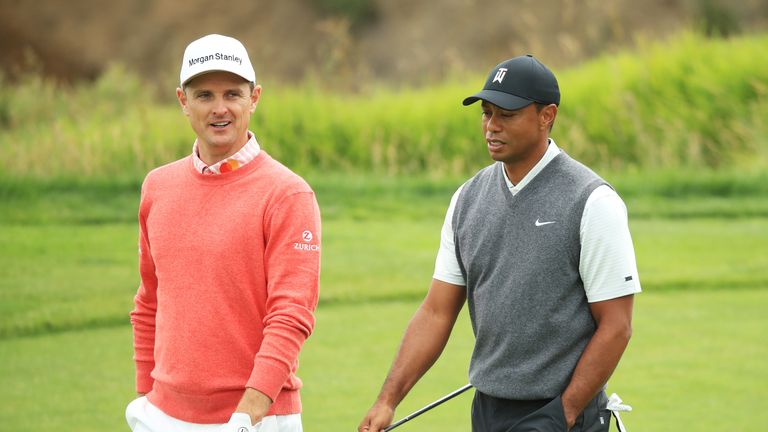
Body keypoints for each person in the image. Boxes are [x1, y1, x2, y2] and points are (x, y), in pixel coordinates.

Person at [359, 55, 641, 432]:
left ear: (547, 116)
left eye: (506, 115)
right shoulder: (467, 199)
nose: (491, 126)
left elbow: (616, 326)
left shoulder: (592, 201)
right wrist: (387, 400)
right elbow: (436, 313)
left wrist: (565, 413)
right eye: (487, 113)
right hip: (488, 411)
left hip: (563, 414)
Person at [126, 34, 321, 432]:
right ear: (183, 100)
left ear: (255, 98)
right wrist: (146, 395)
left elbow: (291, 314)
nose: (220, 109)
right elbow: (150, 301)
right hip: (163, 415)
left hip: (256, 418)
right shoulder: (157, 186)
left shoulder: (287, 193)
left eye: (233, 94)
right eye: (204, 96)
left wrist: (250, 411)